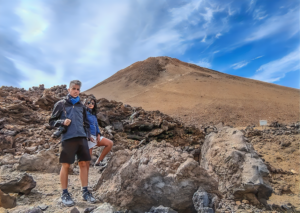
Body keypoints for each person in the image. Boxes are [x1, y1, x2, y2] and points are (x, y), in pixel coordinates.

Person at [49, 80, 96, 206]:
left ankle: (85, 191)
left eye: (78, 89)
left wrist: (87, 135)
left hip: (81, 138)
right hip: (68, 138)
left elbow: (86, 123)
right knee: (66, 165)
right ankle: (64, 193)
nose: (76, 91)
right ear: (68, 90)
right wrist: (62, 122)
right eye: (74, 88)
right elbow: (51, 121)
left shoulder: (82, 106)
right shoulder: (61, 104)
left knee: (84, 164)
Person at [85, 97, 113, 174]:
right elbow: (82, 126)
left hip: (95, 137)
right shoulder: (84, 114)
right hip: (88, 137)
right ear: (85, 104)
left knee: (109, 143)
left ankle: (98, 162)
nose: (90, 104)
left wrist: (98, 134)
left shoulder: (94, 115)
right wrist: (88, 136)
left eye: (92, 103)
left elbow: (96, 126)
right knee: (88, 159)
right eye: (89, 103)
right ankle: (84, 181)